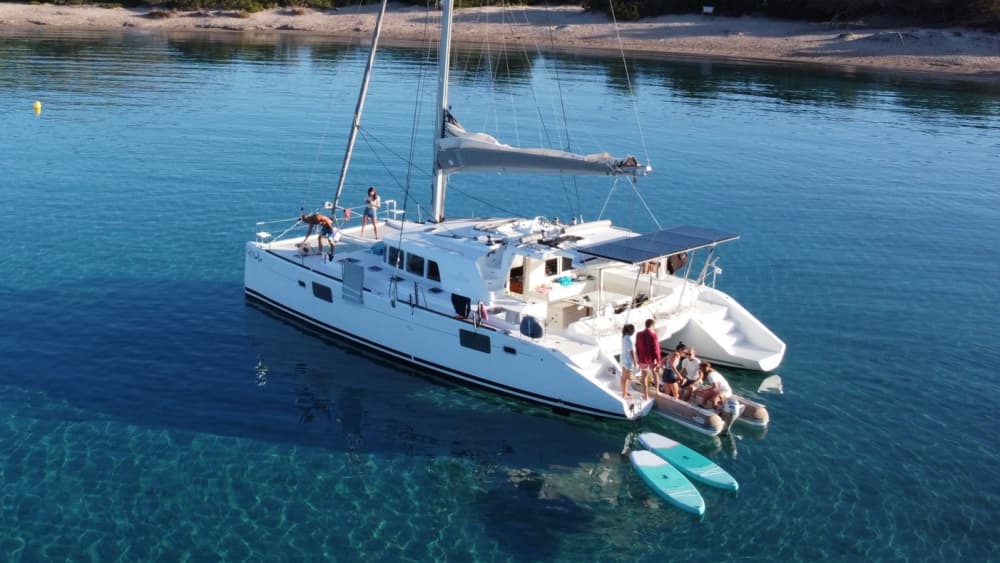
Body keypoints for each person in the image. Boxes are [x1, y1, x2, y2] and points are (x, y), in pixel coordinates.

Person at [633, 319, 661, 400]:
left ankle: (646, 395)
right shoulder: (653, 335)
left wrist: (638, 358)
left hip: (642, 359)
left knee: (644, 377)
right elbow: (656, 349)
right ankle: (657, 390)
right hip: (651, 359)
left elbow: (637, 346)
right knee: (655, 373)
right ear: (652, 326)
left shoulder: (638, 334)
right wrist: (658, 360)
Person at [619, 324, 637, 399]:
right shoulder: (629, 339)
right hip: (628, 361)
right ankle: (624, 394)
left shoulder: (623, 337)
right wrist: (635, 361)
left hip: (623, 358)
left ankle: (624, 392)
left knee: (623, 377)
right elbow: (631, 351)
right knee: (627, 378)